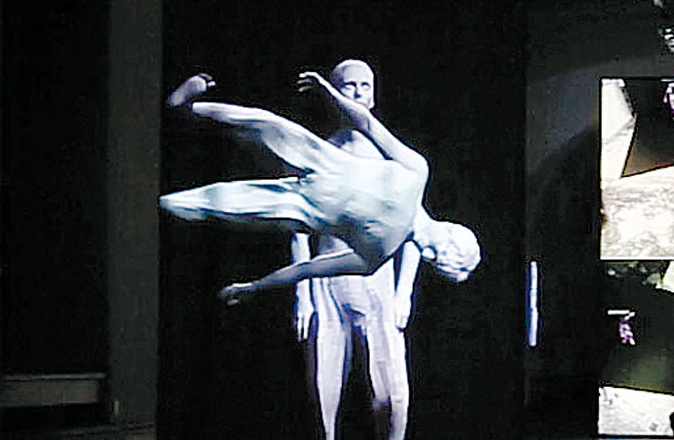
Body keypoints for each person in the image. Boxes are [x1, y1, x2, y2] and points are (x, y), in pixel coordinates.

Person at [160, 70, 480, 301]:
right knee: (261, 124)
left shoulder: (376, 256)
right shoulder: (416, 172)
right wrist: (331, 94)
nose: (428, 253)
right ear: (451, 229)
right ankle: (186, 110)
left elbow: (307, 270)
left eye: (433, 261)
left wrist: (254, 287)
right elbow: (367, 123)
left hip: (299, 208)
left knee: (219, 202)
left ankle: (157, 201)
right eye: (438, 250)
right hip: (320, 159)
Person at [288, 60, 420, 440]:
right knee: (323, 392)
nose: (358, 92)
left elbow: (415, 231)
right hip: (328, 284)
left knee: (394, 397)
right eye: (349, 85)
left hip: (377, 288)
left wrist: (404, 291)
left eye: (365, 85)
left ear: (374, 94)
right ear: (334, 92)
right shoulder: (319, 153)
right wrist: (303, 293)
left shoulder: (391, 157)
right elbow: (298, 226)